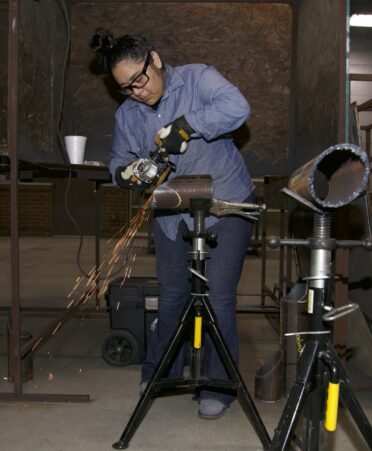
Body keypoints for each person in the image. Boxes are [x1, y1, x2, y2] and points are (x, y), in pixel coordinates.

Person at [91, 29, 255, 419]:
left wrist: (187, 125)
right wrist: (127, 173)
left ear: (156, 59)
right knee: (171, 298)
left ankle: (217, 385)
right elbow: (117, 160)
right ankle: (161, 371)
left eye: (140, 79)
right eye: (125, 88)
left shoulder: (198, 78)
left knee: (218, 300)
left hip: (226, 201)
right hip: (171, 211)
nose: (136, 91)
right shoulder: (127, 114)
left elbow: (237, 107)